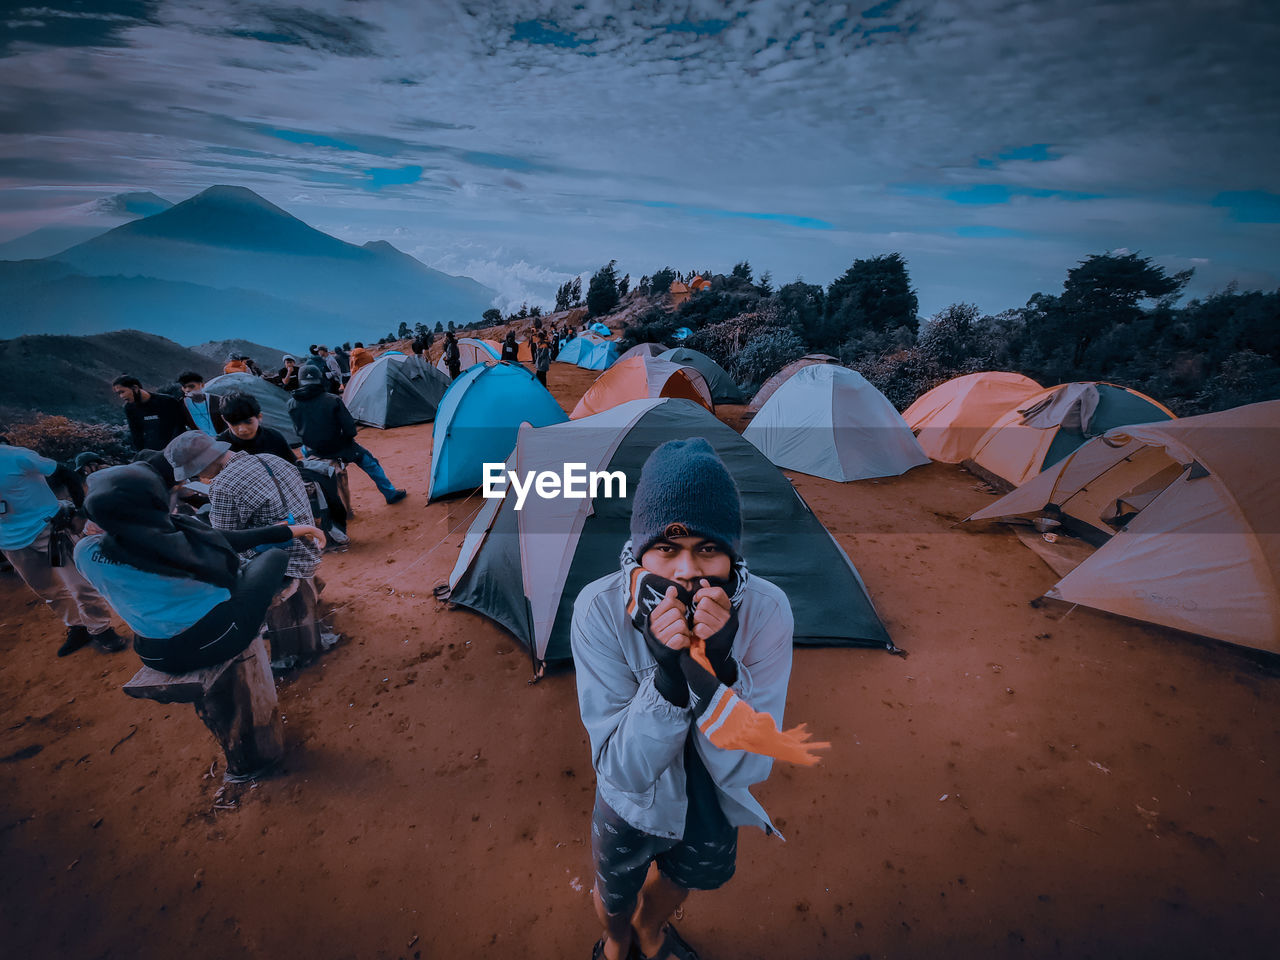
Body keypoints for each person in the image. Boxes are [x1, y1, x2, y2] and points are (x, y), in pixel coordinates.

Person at [572, 439, 822, 960]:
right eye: (667, 547)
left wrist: (721, 675)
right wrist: (667, 679)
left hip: (712, 791)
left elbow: (754, 761)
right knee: (615, 889)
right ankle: (617, 940)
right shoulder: (599, 611)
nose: (687, 570)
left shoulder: (767, 612)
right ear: (640, 550)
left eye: (708, 548)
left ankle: (651, 928)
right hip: (630, 802)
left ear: (732, 554)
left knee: (688, 873)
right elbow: (623, 769)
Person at [75, 463, 324, 674]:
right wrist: (293, 530)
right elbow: (230, 540)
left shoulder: (84, 552)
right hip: (219, 638)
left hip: (155, 656)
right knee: (274, 557)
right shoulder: (179, 537)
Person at [1, 439, 125, 656]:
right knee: (47, 588)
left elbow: (66, 472)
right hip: (11, 542)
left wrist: (81, 510)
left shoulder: (16, 456)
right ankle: (77, 626)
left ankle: (101, 628)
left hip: (49, 531)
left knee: (78, 583)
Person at [165, 432, 322, 583]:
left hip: (283, 563)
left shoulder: (223, 486)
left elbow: (225, 542)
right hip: (310, 549)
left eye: (197, 471)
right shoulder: (270, 458)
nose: (201, 477)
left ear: (206, 461)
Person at [217, 393, 349, 545]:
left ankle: (330, 529)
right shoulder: (220, 447)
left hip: (282, 491)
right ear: (224, 420)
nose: (242, 429)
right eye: (234, 424)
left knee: (323, 482)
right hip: (245, 503)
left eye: (248, 422)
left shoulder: (274, 437)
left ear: (259, 416)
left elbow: (292, 466)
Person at [287, 365, 407, 504]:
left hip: (314, 449)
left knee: (304, 449)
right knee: (371, 463)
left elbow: (297, 431)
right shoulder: (332, 400)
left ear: (301, 381)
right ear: (320, 379)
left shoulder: (291, 404)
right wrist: (344, 441)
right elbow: (350, 430)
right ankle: (390, 494)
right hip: (340, 447)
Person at [112, 375, 187, 452]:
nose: (121, 396)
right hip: (152, 454)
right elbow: (136, 435)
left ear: (135, 388)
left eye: (122, 392)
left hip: (176, 450)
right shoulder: (129, 408)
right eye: (119, 394)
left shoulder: (167, 401)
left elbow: (179, 427)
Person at [176, 371, 227, 437]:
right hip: (199, 443)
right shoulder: (181, 405)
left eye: (191, 386)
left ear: (202, 385)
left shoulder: (219, 401)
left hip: (222, 440)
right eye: (184, 387)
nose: (187, 389)